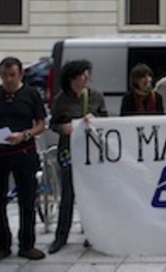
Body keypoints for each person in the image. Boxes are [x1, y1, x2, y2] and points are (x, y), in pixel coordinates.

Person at [0, 57, 47, 266]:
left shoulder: (31, 95)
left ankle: (27, 244)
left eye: (12, 75)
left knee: (27, 200)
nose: (9, 80)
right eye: (4, 76)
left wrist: (25, 135)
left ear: (20, 74)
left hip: (24, 153)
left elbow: (41, 124)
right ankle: (1, 245)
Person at [49, 59, 108, 254]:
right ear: (72, 79)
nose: (87, 78)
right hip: (69, 152)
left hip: (91, 153)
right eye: (83, 75)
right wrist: (62, 128)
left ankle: (94, 234)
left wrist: (95, 120)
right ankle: (61, 237)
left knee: (93, 195)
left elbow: (107, 121)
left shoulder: (95, 96)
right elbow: (53, 124)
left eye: (87, 74)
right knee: (67, 195)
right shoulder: (61, 100)